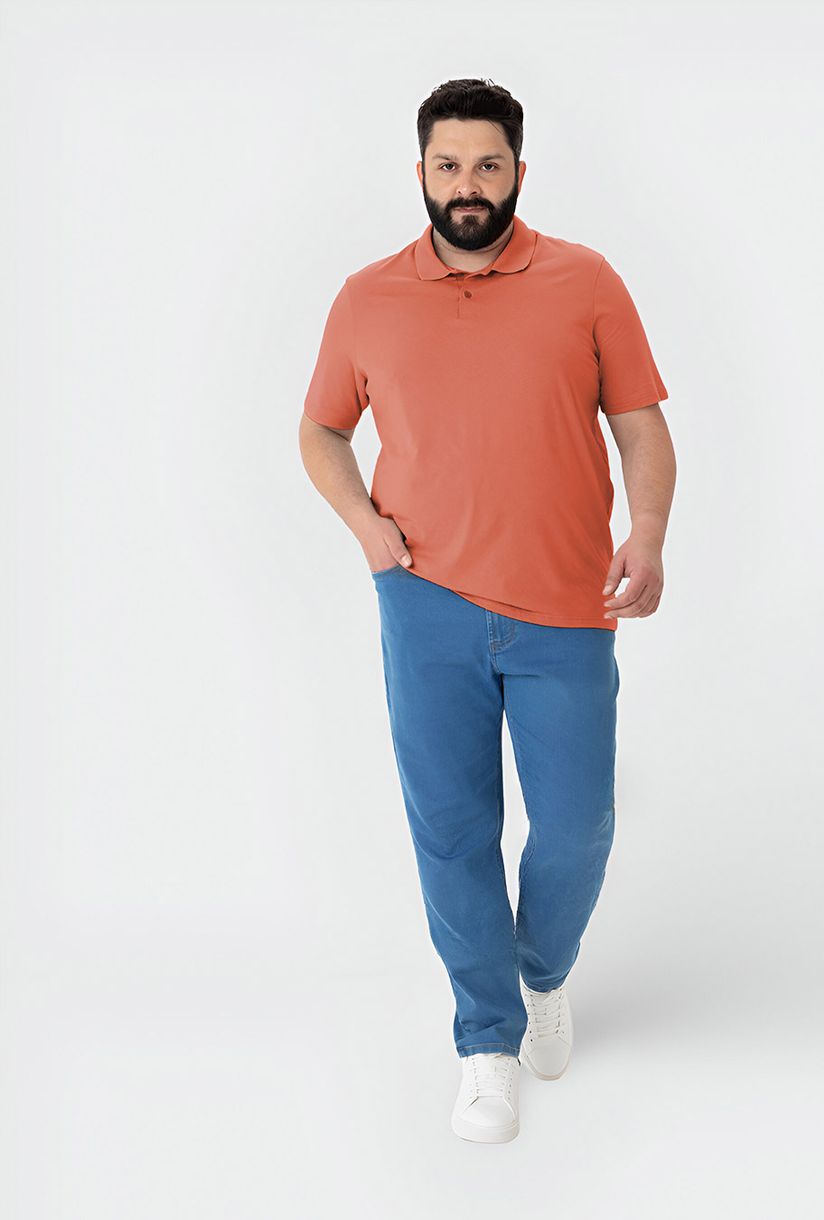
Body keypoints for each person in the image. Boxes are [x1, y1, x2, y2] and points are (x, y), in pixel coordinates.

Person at [298, 78, 676, 1144]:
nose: (468, 184)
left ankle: (539, 971)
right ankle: (485, 1042)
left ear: (518, 171)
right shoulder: (367, 297)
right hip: (424, 604)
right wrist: (366, 526)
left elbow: (642, 428)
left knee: (577, 824)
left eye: (488, 164)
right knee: (453, 829)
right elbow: (321, 429)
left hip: (566, 605)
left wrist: (647, 532)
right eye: (449, 165)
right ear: (421, 172)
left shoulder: (585, 280)